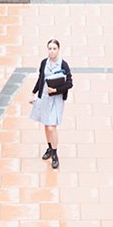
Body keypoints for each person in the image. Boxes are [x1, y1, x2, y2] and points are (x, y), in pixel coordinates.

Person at [30, 38, 73, 171]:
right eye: (50, 48)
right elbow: (40, 78)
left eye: (54, 48)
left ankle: (55, 153)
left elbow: (69, 83)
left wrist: (56, 90)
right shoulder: (44, 63)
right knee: (46, 123)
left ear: (58, 50)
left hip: (56, 99)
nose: (52, 51)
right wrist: (34, 93)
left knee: (51, 127)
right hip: (44, 97)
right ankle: (49, 147)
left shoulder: (63, 65)